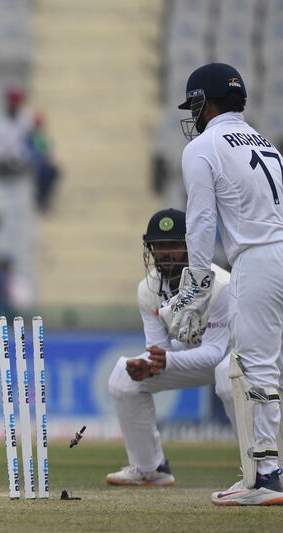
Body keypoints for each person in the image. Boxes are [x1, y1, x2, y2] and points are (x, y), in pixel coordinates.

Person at [163, 63, 283, 505]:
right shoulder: (266, 142)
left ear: (206, 102)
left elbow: (200, 221)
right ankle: (264, 471)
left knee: (256, 367)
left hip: (259, 258)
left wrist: (195, 288)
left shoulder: (204, 146)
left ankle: (264, 477)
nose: (193, 114)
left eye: (195, 104)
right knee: (275, 367)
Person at [107, 208, 234, 487]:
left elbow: (214, 353)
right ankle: (149, 467)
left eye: (173, 245)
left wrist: (164, 361)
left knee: (227, 377)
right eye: (159, 246)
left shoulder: (220, 284)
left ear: (189, 245)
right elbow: (158, 348)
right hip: (191, 354)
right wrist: (148, 367)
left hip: (236, 353)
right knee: (122, 376)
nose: (165, 253)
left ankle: (262, 472)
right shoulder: (147, 289)